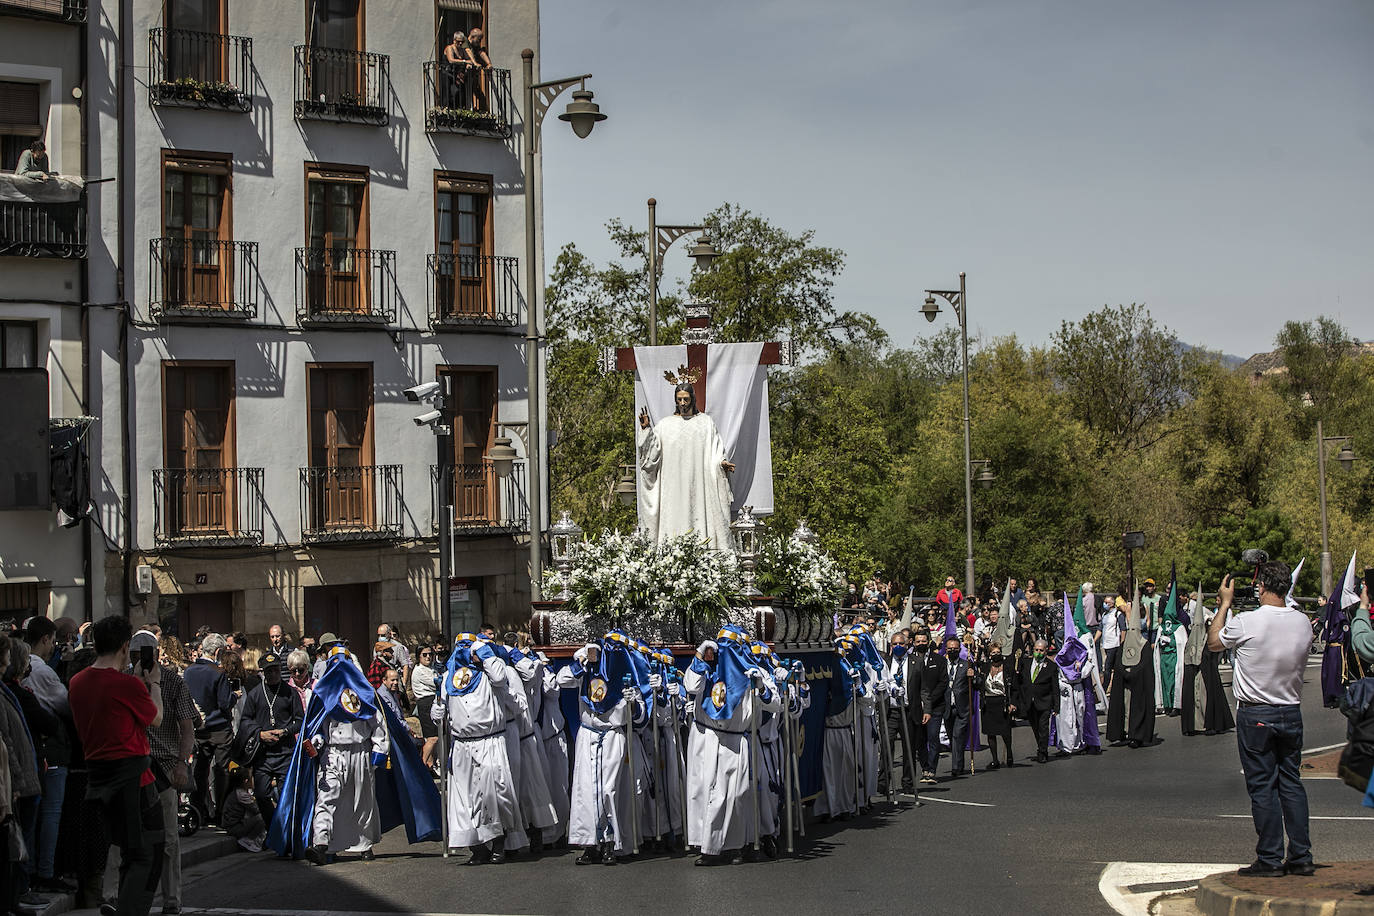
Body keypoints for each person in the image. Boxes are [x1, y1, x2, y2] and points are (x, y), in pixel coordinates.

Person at [1208, 564, 1314, 878]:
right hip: (1290, 708)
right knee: (1291, 784)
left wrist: (1224, 604)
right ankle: (1301, 855)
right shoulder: (1303, 622)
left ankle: (1269, 858)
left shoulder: (1247, 621)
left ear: (1264, 586)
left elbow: (1214, 642)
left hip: (1257, 711)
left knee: (1263, 787)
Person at [68, 615, 165, 916]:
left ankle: (124, 904)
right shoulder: (127, 685)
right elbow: (156, 718)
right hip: (135, 780)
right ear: (125, 647)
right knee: (148, 852)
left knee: (128, 851)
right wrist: (155, 685)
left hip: (99, 780)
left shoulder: (76, 682)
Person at [558, 632, 645, 865]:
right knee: (586, 791)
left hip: (613, 735)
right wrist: (582, 664)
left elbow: (640, 716)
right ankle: (589, 843)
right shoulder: (586, 669)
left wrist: (632, 702)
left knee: (609, 789)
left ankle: (610, 841)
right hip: (588, 734)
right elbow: (562, 679)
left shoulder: (627, 673)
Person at [131, 629, 197, 916]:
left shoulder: (172, 681)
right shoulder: (124, 681)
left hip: (164, 765)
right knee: (127, 836)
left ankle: (172, 900)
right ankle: (116, 895)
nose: (144, 660)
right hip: (132, 763)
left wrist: (182, 763)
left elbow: (187, 726)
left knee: (170, 837)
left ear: (158, 655)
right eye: (137, 655)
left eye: (148, 654)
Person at [636, 381, 735, 552]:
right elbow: (651, 457)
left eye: (686, 399)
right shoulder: (665, 425)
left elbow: (716, 450)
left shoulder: (705, 423)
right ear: (675, 400)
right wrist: (646, 431)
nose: (682, 403)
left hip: (699, 486)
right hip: (673, 489)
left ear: (693, 399)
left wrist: (721, 463)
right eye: (679, 399)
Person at [22, 617, 74, 895]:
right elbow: (65, 705)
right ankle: (45, 871)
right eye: (53, 641)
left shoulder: (26, 670)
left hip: (32, 749)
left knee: (32, 815)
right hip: (51, 748)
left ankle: (29, 870)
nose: (54, 646)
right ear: (45, 639)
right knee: (51, 812)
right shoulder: (43, 672)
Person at [237, 652, 303, 826]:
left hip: (285, 752)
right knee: (261, 795)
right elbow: (245, 720)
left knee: (285, 796)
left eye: (275, 670)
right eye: (268, 671)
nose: (272, 674)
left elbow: (300, 720)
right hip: (263, 754)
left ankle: (284, 834)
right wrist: (259, 733)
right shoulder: (255, 694)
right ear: (263, 672)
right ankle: (273, 826)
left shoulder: (290, 693)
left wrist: (285, 732)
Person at [183, 634, 235, 824]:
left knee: (200, 771)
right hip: (219, 728)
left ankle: (198, 811)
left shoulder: (188, 672)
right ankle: (220, 812)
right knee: (222, 771)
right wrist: (234, 697)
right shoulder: (218, 673)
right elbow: (224, 703)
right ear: (218, 652)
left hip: (198, 728)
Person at [1020, 638, 1058, 763]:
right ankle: (1040, 746)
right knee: (1035, 727)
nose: (1038, 652)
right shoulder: (1026, 663)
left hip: (1044, 702)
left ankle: (1043, 752)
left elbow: (1055, 687)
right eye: (1036, 650)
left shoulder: (1051, 666)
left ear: (1046, 651)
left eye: (1041, 650)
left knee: (1043, 727)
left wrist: (1056, 706)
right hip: (1030, 702)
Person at [979, 650, 1014, 768]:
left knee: (1005, 731)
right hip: (988, 702)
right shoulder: (985, 668)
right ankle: (995, 759)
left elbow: (1014, 687)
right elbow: (979, 684)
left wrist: (1012, 703)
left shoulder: (1008, 668)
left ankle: (1009, 753)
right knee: (990, 732)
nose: (995, 654)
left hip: (1002, 701)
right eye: (993, 652)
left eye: (998, 652)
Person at [410, 645, 439, 770]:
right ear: (419, 657)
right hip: (426, 703)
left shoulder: (431, 669)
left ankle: (430, 765)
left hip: (433, 702)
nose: (428, 657)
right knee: (433, 738)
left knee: (432, 737)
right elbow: (436, 683)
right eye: (424, 655)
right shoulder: (419, 671)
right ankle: (421, 765)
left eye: (430, 654)